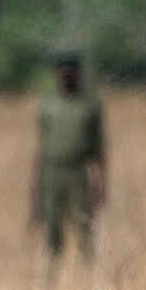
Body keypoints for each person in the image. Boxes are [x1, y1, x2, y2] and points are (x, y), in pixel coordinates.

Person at [33, 53, 106, 265]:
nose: (66, 76)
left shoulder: (89, 104)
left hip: (78, 170)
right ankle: (52, 266)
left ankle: (87, 265)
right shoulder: (48, 104)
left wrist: (101, 183)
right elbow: (40, 145)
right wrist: (35, 182)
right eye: (62, 72)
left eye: (71, 72)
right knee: (52, 222)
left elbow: (100, 147)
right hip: (52, 169)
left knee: (83, 220)